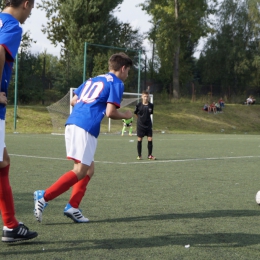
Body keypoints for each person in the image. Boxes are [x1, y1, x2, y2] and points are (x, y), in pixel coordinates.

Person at [34, 52, 133, 223]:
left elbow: (73, 101)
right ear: (123, 68)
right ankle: (44, 196)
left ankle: (73, 206)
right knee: (80, 171)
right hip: (86, 126)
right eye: (128, 71)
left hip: (72, 122)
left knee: (88, 169)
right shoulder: (116, 83)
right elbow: (110, 112)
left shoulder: (92, 79)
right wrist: (125, 114)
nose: (127, 75)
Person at [0, 0, 38, 242]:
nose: (31, 12)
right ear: (25, 3)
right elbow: (0, 50)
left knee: (2, 162)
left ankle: (11, 225)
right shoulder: (12, 25)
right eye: (32, 7)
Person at [134, 91, 156, 160]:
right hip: (140, 125)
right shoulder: (138, 105)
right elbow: (136, 113)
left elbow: (150, 113)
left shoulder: (151, 105)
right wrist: (140, 119)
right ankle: (139, 155)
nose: (146, 98)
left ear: (148, 97)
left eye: (147, 96)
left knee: (150, 139)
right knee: (140, 139)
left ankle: (150, 155)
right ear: (142, 97)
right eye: (144, 96)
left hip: (148, 125)